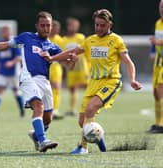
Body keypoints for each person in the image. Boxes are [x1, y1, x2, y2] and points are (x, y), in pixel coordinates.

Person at [42, 9, 142, 154]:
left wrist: (132, 79)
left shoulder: (116, 40)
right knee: (82, 122)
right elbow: (72, 52)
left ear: (110, 25)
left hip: (110, 81)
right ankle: (99, 138)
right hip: (93, 83)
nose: (99, 28)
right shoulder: (90, 40)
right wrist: (52, 58)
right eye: (97, 25)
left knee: (90, 109)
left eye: (102, 25)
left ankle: (83, 147)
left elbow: (128, 62)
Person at [0, 11, 76, 152]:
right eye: (42, 25)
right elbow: (5, 45)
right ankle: (43, 140)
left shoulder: (53, 47)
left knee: (48, 118)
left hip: (44, 82)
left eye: (48, 25)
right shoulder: (26, 37)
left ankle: (35, 135)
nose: (46, 28)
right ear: (37, 26)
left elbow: (68, 66)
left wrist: (73, 61)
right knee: (38, 105)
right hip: (28, 78)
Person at [62, 17, 90, 116]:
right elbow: (62, 55)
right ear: (68, 26)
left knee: (88, 87)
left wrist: (90, 64)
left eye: (76, 26)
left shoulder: (81, 37)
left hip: (83, 68)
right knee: (72, 89)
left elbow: (87, 51)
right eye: (72, 25)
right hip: (71, 69)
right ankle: (72, 109)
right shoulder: (64, 40)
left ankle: (90, 108)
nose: (74, 27)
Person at [0, 26, 25, 117]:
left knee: (16, 92)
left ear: (10, 32)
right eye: (3, 31)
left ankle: (21, 110)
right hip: (2, 72)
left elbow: (19, 57)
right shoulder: (1, 44)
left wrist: (11, 63)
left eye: (6, 31)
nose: (5, 33)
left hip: (14, 73)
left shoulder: (14, 43)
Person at [149, 0, 163, 133]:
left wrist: (158, 41)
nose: (162, 9)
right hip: (158, 62)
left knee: (160, 89)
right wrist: (153, 51)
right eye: (161, 6)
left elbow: (158, 40)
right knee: (155, 93)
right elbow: (155, 40)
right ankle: (158, 123)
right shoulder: (158, 23)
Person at [49, 20, 64, 120]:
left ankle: (55, 110)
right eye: (54, 28)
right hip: (45, 66)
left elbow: (63, 54)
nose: (56, 30)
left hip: (56, 66)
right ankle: (47, 109)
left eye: (58, 29)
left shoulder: (60, 40)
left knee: (56, 87)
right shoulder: (44, 38)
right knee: (45, 89)